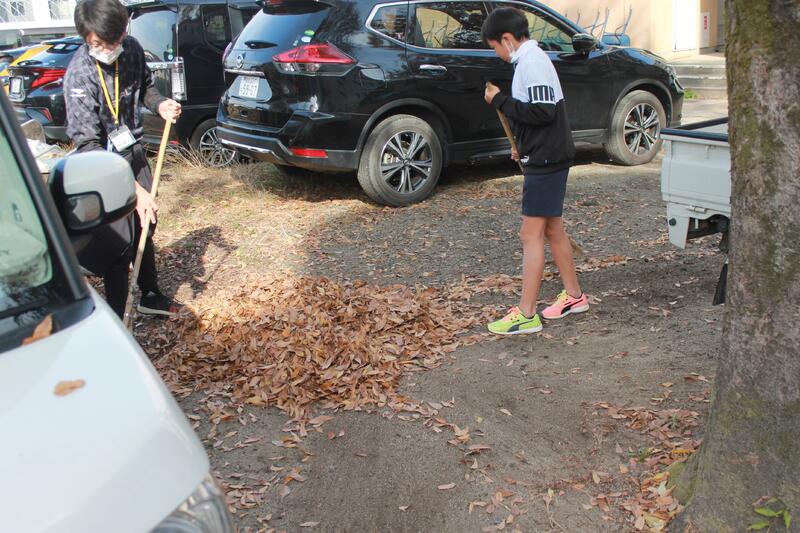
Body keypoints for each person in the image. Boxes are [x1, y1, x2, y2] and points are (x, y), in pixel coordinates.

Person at [64, 0, 181, 318]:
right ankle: (118, 317)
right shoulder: (79, 75)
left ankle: (150, 294)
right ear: (86, 38)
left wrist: (160, 104)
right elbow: (88, 145)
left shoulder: (131, 49)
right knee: (118, 243)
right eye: (98, 44)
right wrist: (133, 191)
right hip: (101, 166)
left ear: (124, 32)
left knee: (146, 223)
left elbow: (146, 88)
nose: (108, 49)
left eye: (113, 41)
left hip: (133, 153)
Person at [482, 7, 588, 335]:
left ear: (507, 39)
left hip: (547, 161)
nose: (497, 54)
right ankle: (574, 296)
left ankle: (527, 313)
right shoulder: (528, 61)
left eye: (495, 47)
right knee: (553, 230)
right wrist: (523, 144)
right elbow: (540, 116)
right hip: (545, 154)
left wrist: (499, 100)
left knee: (530, 235)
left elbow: (543, 112)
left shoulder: (532, 62)